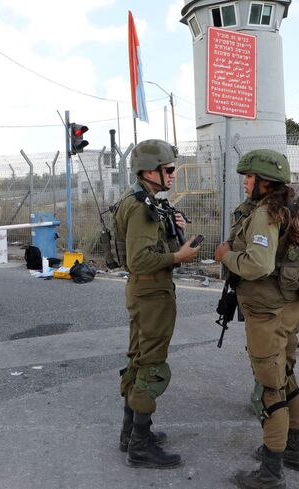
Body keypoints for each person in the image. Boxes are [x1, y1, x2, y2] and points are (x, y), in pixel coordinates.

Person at [214, 149, 299, 489]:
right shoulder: (288, 206)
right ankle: (293, 448)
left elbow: (258, 265)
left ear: (265, 181)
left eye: (249, 176)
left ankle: (271, 472)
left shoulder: (265, 214)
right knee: (285, 374)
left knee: (271, 387)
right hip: (287, 305)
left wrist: (227, 257)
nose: (245, 181)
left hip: (267, 309)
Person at [114, 139, 199, 469]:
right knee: (150, 364)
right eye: (168, 169)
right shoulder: (140, 207)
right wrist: (180, 256)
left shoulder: (143, 199)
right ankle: (139, 446)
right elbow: (140, 260)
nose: (173, 174)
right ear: (150, 171)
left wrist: (171, 229)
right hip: (151, 293)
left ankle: (130, 434)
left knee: (138, 358)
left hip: (145, 292)